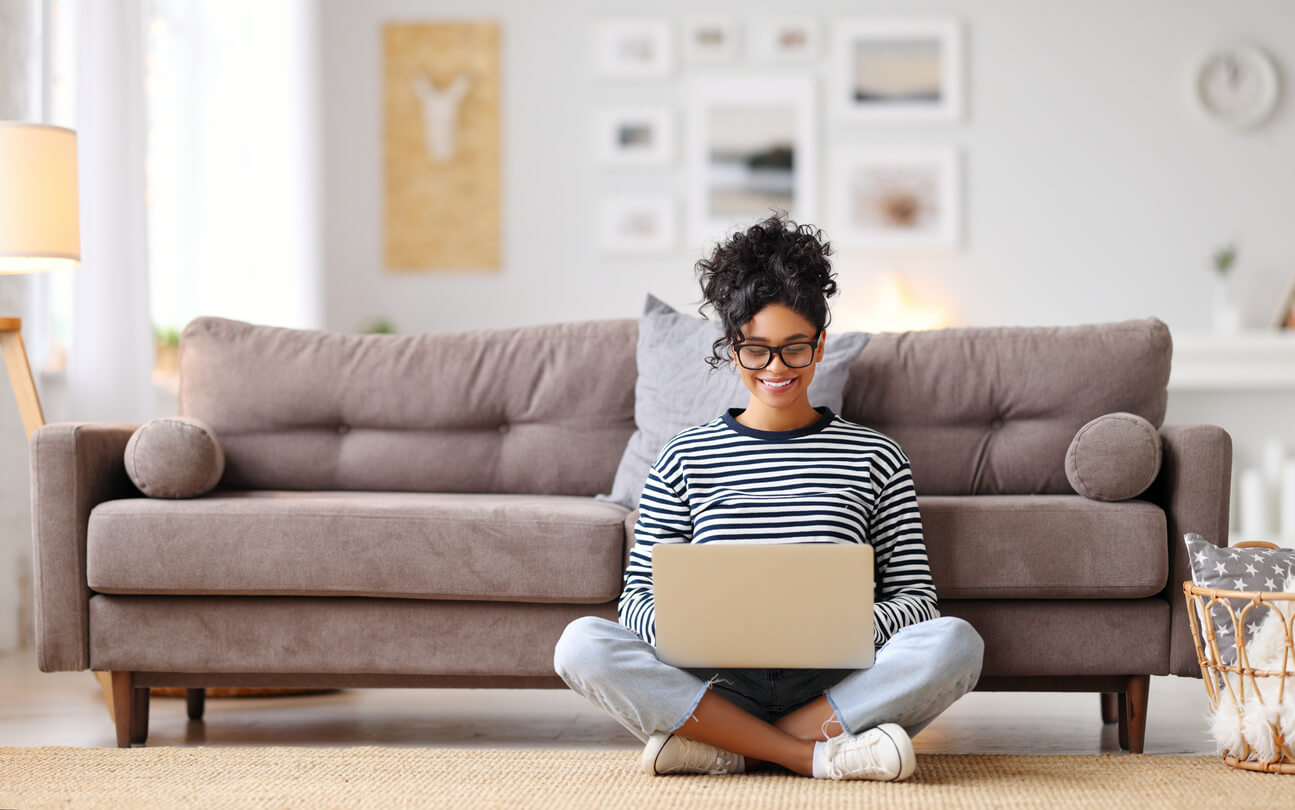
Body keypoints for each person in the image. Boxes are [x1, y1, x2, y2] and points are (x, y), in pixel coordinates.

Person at [553, 213, 983, 781]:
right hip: (714, 683)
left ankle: (728, 748)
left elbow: (916, 598)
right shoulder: (682, 457)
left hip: (835, 683)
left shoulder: (877, 456)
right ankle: (813, 755)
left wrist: (849, 628)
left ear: (821, 344)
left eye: (794, 348)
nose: (776, 368)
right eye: (756, 349)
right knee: (581, 644)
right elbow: (636, 601)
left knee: (955, 643)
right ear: (733, 349)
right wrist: (691, 632)